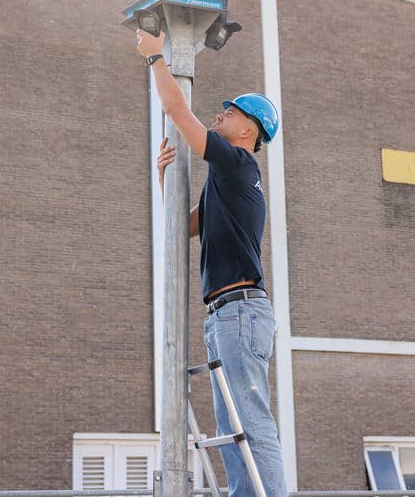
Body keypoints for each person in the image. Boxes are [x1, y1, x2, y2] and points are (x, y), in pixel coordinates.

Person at [136, 27, 286, 497]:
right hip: (227, 314)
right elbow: (183, 226)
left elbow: (178, 111)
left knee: (251, 425)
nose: (220, 115)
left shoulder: (238, 164)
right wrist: (164, 177)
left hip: (240, 313)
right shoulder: (226, 180)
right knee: (233, 430)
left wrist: (155, 58)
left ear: (248, 131)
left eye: (230, 112)